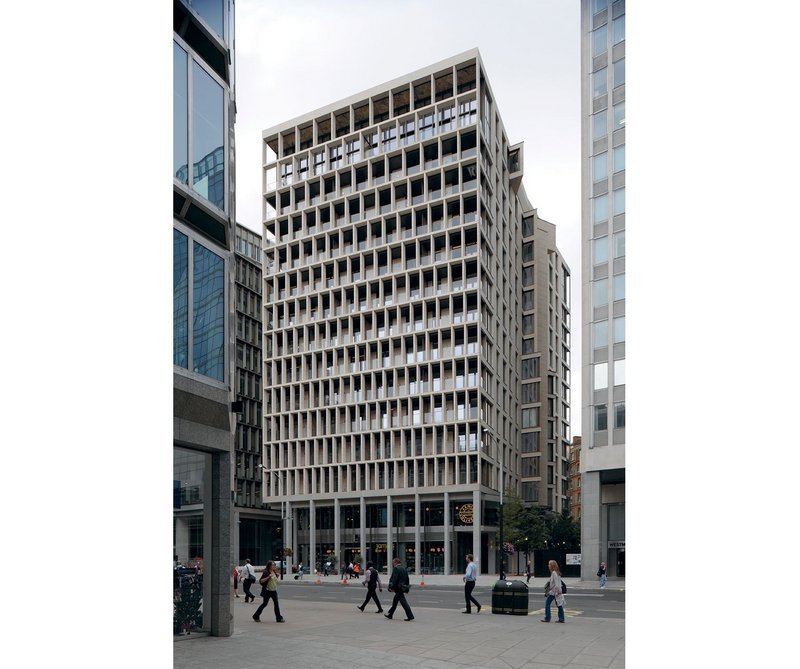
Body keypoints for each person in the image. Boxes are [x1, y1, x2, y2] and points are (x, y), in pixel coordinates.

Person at [540, 559, 565, 623]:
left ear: (552, 566)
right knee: (559, 605)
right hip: (557, 591)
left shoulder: (554, 573)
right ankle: (561, 619)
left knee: (547, 604)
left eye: (549, 564)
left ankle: (547, 618)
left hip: (554, 592)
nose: (548, 565)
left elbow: (556, 584)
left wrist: (556, 592)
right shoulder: (557, 572)